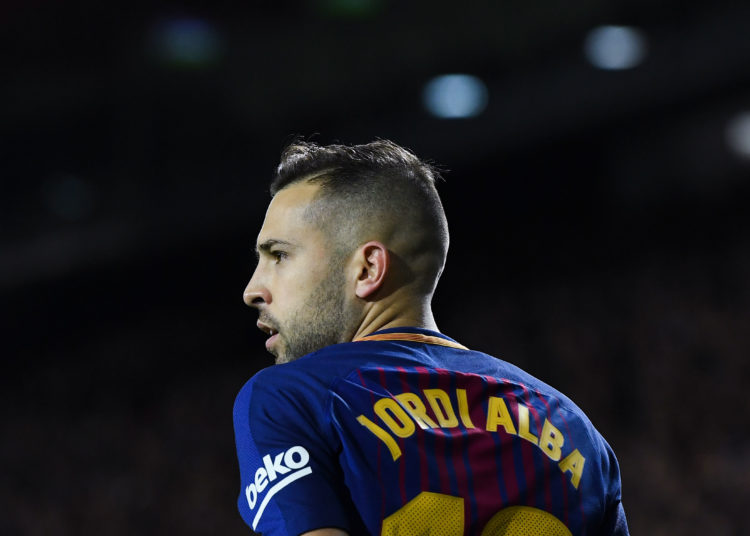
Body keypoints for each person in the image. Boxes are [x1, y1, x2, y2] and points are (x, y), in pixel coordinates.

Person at [233, 139, 629, 535]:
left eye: (279, 256)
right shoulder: (577, 431)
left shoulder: (290, 398)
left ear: (368, 269)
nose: (253, 289)